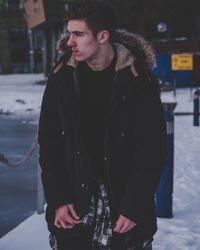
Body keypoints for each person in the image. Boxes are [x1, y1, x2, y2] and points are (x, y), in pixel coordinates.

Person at [38, 0, 166, 249]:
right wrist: (58, 200)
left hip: (123, 208)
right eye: (69, 33)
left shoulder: (138, 79)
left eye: (78, 34)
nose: (69, 42)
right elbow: (50, 145)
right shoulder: (61, 77)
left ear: (103, 35)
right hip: (74, 207)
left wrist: (133, 206)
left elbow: (152, 151)